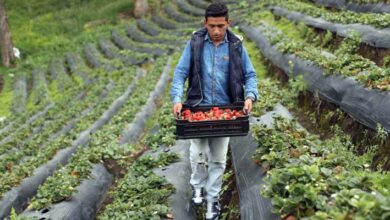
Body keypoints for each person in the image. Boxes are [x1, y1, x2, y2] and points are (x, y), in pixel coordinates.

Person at [170, 2, 259, 220]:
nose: (217, 31)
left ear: (228, 23)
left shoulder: (236, 45)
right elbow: (181, 72)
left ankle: (213, 201)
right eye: (212, 26)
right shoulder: (196, 43)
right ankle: (197, 186)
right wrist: (176, 99)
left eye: (221, 25)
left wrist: (250, 96)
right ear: (205, 24)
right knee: (197, 153)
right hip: (198, 106)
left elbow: (250, 75)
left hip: (225, 110)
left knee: (218, 159)